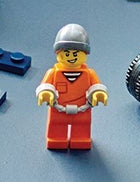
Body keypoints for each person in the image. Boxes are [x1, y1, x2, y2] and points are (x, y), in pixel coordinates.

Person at [38, 22, 108, 151]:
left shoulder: (89, 74)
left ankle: (80, 139)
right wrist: (46, 92)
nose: (71, 57)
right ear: (58, 53)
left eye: (76, 54)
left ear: (84, 54)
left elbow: (97, 85)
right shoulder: (52, 73)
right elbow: (45, 85)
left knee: (82, 127)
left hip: (82, 109)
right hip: (58, 109)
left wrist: (98, 93)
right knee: (57, 127)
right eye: (67, 53)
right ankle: (57, 139)